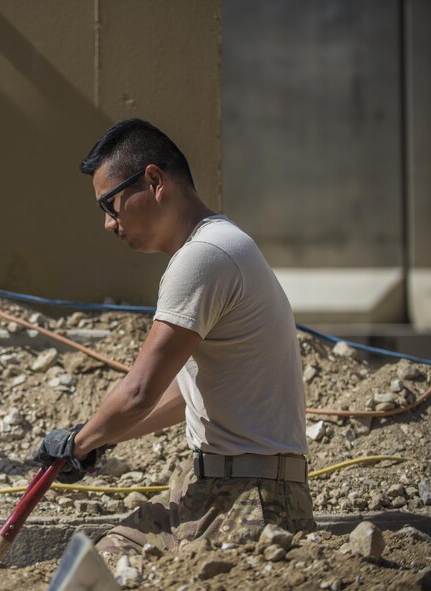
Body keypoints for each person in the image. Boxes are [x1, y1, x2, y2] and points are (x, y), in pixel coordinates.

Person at [35, 118, 315, 556]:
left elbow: (139, 392)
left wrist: (76, 445)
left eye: (110, 204)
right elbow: (186, 396)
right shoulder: (222, 245)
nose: (109, 224)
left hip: (248, 501)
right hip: (233, 488)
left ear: (153, 180)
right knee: (101, 561)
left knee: (104, 572)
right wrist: (97, 438)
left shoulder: (202, 257)